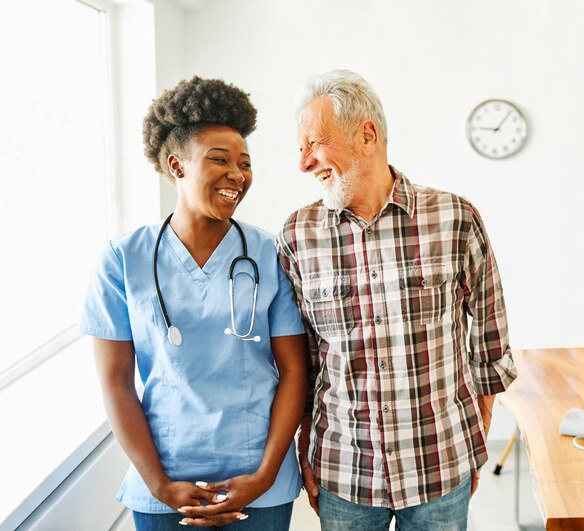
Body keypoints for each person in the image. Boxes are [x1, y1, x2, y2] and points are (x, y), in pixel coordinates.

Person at [276, 70, 517, 530]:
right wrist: (307, 447)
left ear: (366, 134)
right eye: (300, 148)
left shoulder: (455, 218)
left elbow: (490, 340)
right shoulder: (296, 235)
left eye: (313, 143)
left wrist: (473, 442)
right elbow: (302, 362)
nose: (304, 163)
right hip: (344, 474)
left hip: (441, 469)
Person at [81, 76, 308, 530]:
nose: (237, 175)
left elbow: (295, 371)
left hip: (257, 481)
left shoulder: (270, 253)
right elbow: (117, 383)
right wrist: (160, 485)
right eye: (219, 160)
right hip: (165, 479)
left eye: (245, 163)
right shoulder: (123, 259)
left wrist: (263, 477)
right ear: (176, 165)